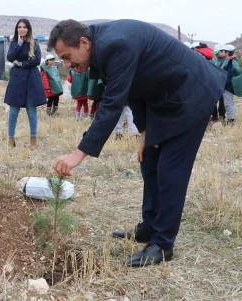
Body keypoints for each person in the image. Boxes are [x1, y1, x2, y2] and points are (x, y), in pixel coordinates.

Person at [48, 19, 226, 267]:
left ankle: (162, 244)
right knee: (149, 162)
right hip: (163, 97)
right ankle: (149, 227)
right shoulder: (102, 47)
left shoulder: (115, 44)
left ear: (84, 42)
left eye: (68, 57)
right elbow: (133, 88)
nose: (68, 65)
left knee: (170, 170)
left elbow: (112, 103)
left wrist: (80, 153)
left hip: (191, 94)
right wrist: (144, 131)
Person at [5, 19, 45, 150]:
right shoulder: (14, 43)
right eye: (19, 27)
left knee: (31, 111)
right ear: (17, 29)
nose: (22, 29)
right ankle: (11, 139)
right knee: (13, 112)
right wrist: (19, 44)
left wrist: (22, 64)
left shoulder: (34, 43)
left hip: (31, 79)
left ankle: (33, 139)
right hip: (17, 80)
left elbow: (37, 61)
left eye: (24, 27)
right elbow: (10, 58)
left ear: (28, 29)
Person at [218, 44, 241, 125]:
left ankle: (231, 120)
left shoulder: (232, 61)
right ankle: (230, 119)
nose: (220, 52)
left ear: (227, 52)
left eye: (222, 51)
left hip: (228, 85)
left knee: (228, 102)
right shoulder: (227, 60)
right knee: (227, 102)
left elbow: (238, 71)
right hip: (226, 84)